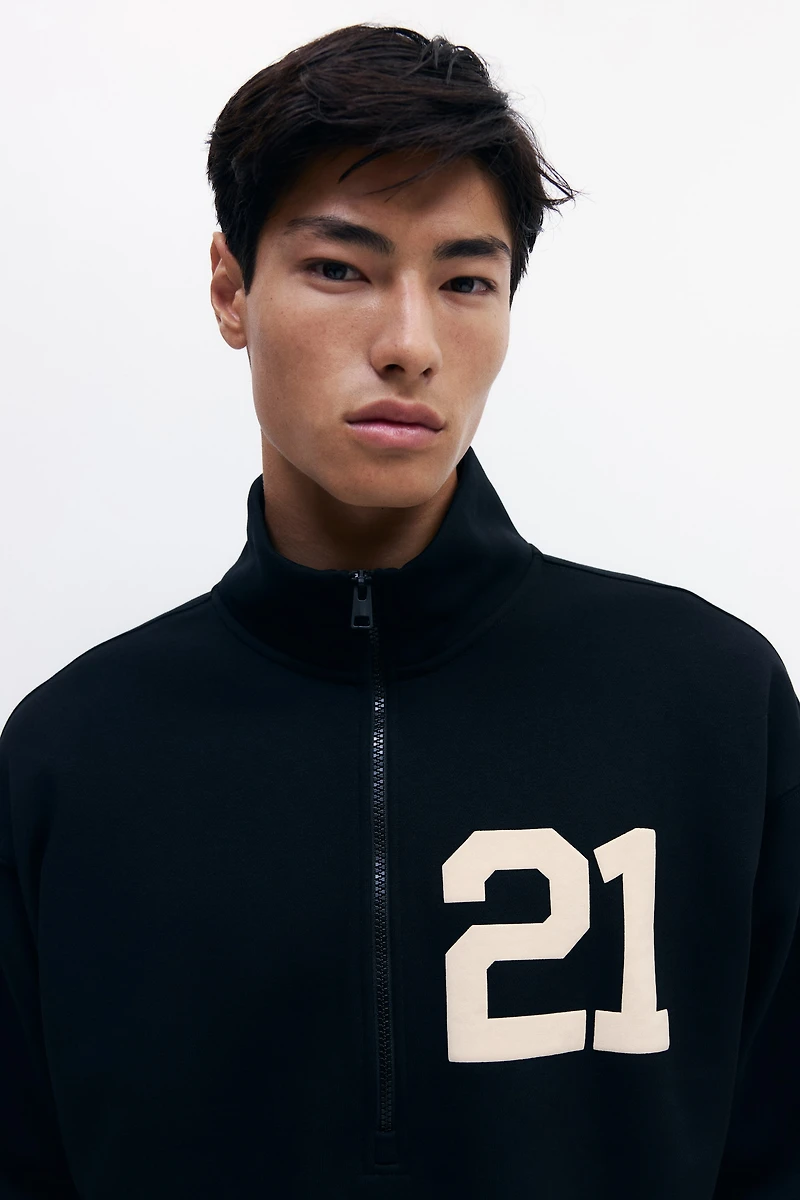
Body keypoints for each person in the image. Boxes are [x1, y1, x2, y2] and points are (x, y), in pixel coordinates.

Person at [1, 22, 798, 1200]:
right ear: (230, 288)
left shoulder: (710, 703)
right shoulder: (69, 755)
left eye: (465, 281)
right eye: (341, 268)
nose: (409, 344)